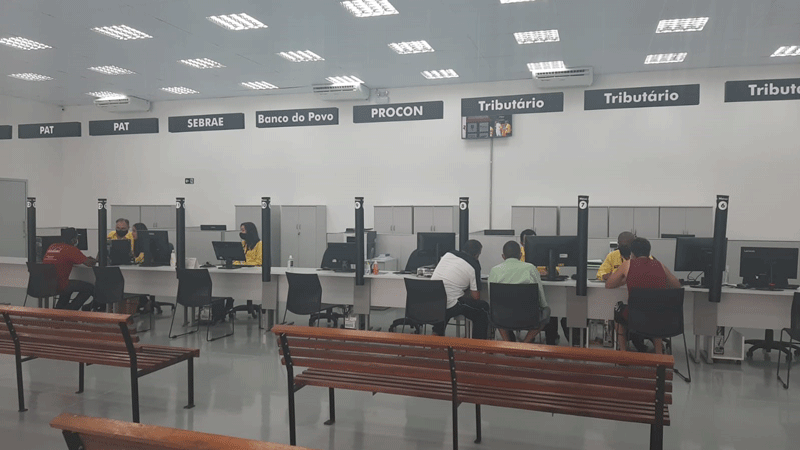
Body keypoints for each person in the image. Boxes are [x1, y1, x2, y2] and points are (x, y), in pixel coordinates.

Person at [605, 237, 681, 353]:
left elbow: (609, 284)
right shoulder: (660, 265)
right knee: (655, 317)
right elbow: (677, 285)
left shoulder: (628, 265)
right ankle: (659, 355)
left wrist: (625, 280)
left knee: (618, 316)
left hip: (635, 316)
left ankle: (623, 353)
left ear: (632, 253)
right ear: (648, 252)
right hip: (660, 316)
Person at [489, 240, 550, 343]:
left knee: (495, 311)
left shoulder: (494, 270)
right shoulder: (530, 268)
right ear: (520, 255)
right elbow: (540, 296)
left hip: (502, 316)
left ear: (503, 256)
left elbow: (492, 298)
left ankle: (508, 344)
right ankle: (525, 344)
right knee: (546, 311)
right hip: (528, 316)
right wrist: (544, 306)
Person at [431, 239, 490, 339]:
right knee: (483, 308)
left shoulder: (448, 254)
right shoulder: (474, 265)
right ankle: (478, 345)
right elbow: (476, 297)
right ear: (477, 254)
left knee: (445, 307)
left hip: (434, 300)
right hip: (451, 303)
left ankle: (435, 335)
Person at [520, 228, 566, 345]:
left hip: (546, 289)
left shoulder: (545, 251)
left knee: (552, 307)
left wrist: (550, 271)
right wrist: (535, 273)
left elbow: (556, 271)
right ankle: (528, 339)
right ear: (521, 243)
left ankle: (551, 341)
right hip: (524, 292)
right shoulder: (517, 254)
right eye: (527, 242)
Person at [43, 227, 97, 310]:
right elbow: (89, 264)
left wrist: (82, 258)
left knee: (68, 288)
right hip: (61, 284)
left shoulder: (52, 246)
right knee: (90, 288)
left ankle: (59, 310)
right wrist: (96, 259)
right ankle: (70, 310)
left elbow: (63, 259)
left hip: (46, 284)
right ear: (73, 240)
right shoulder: (71, 249)